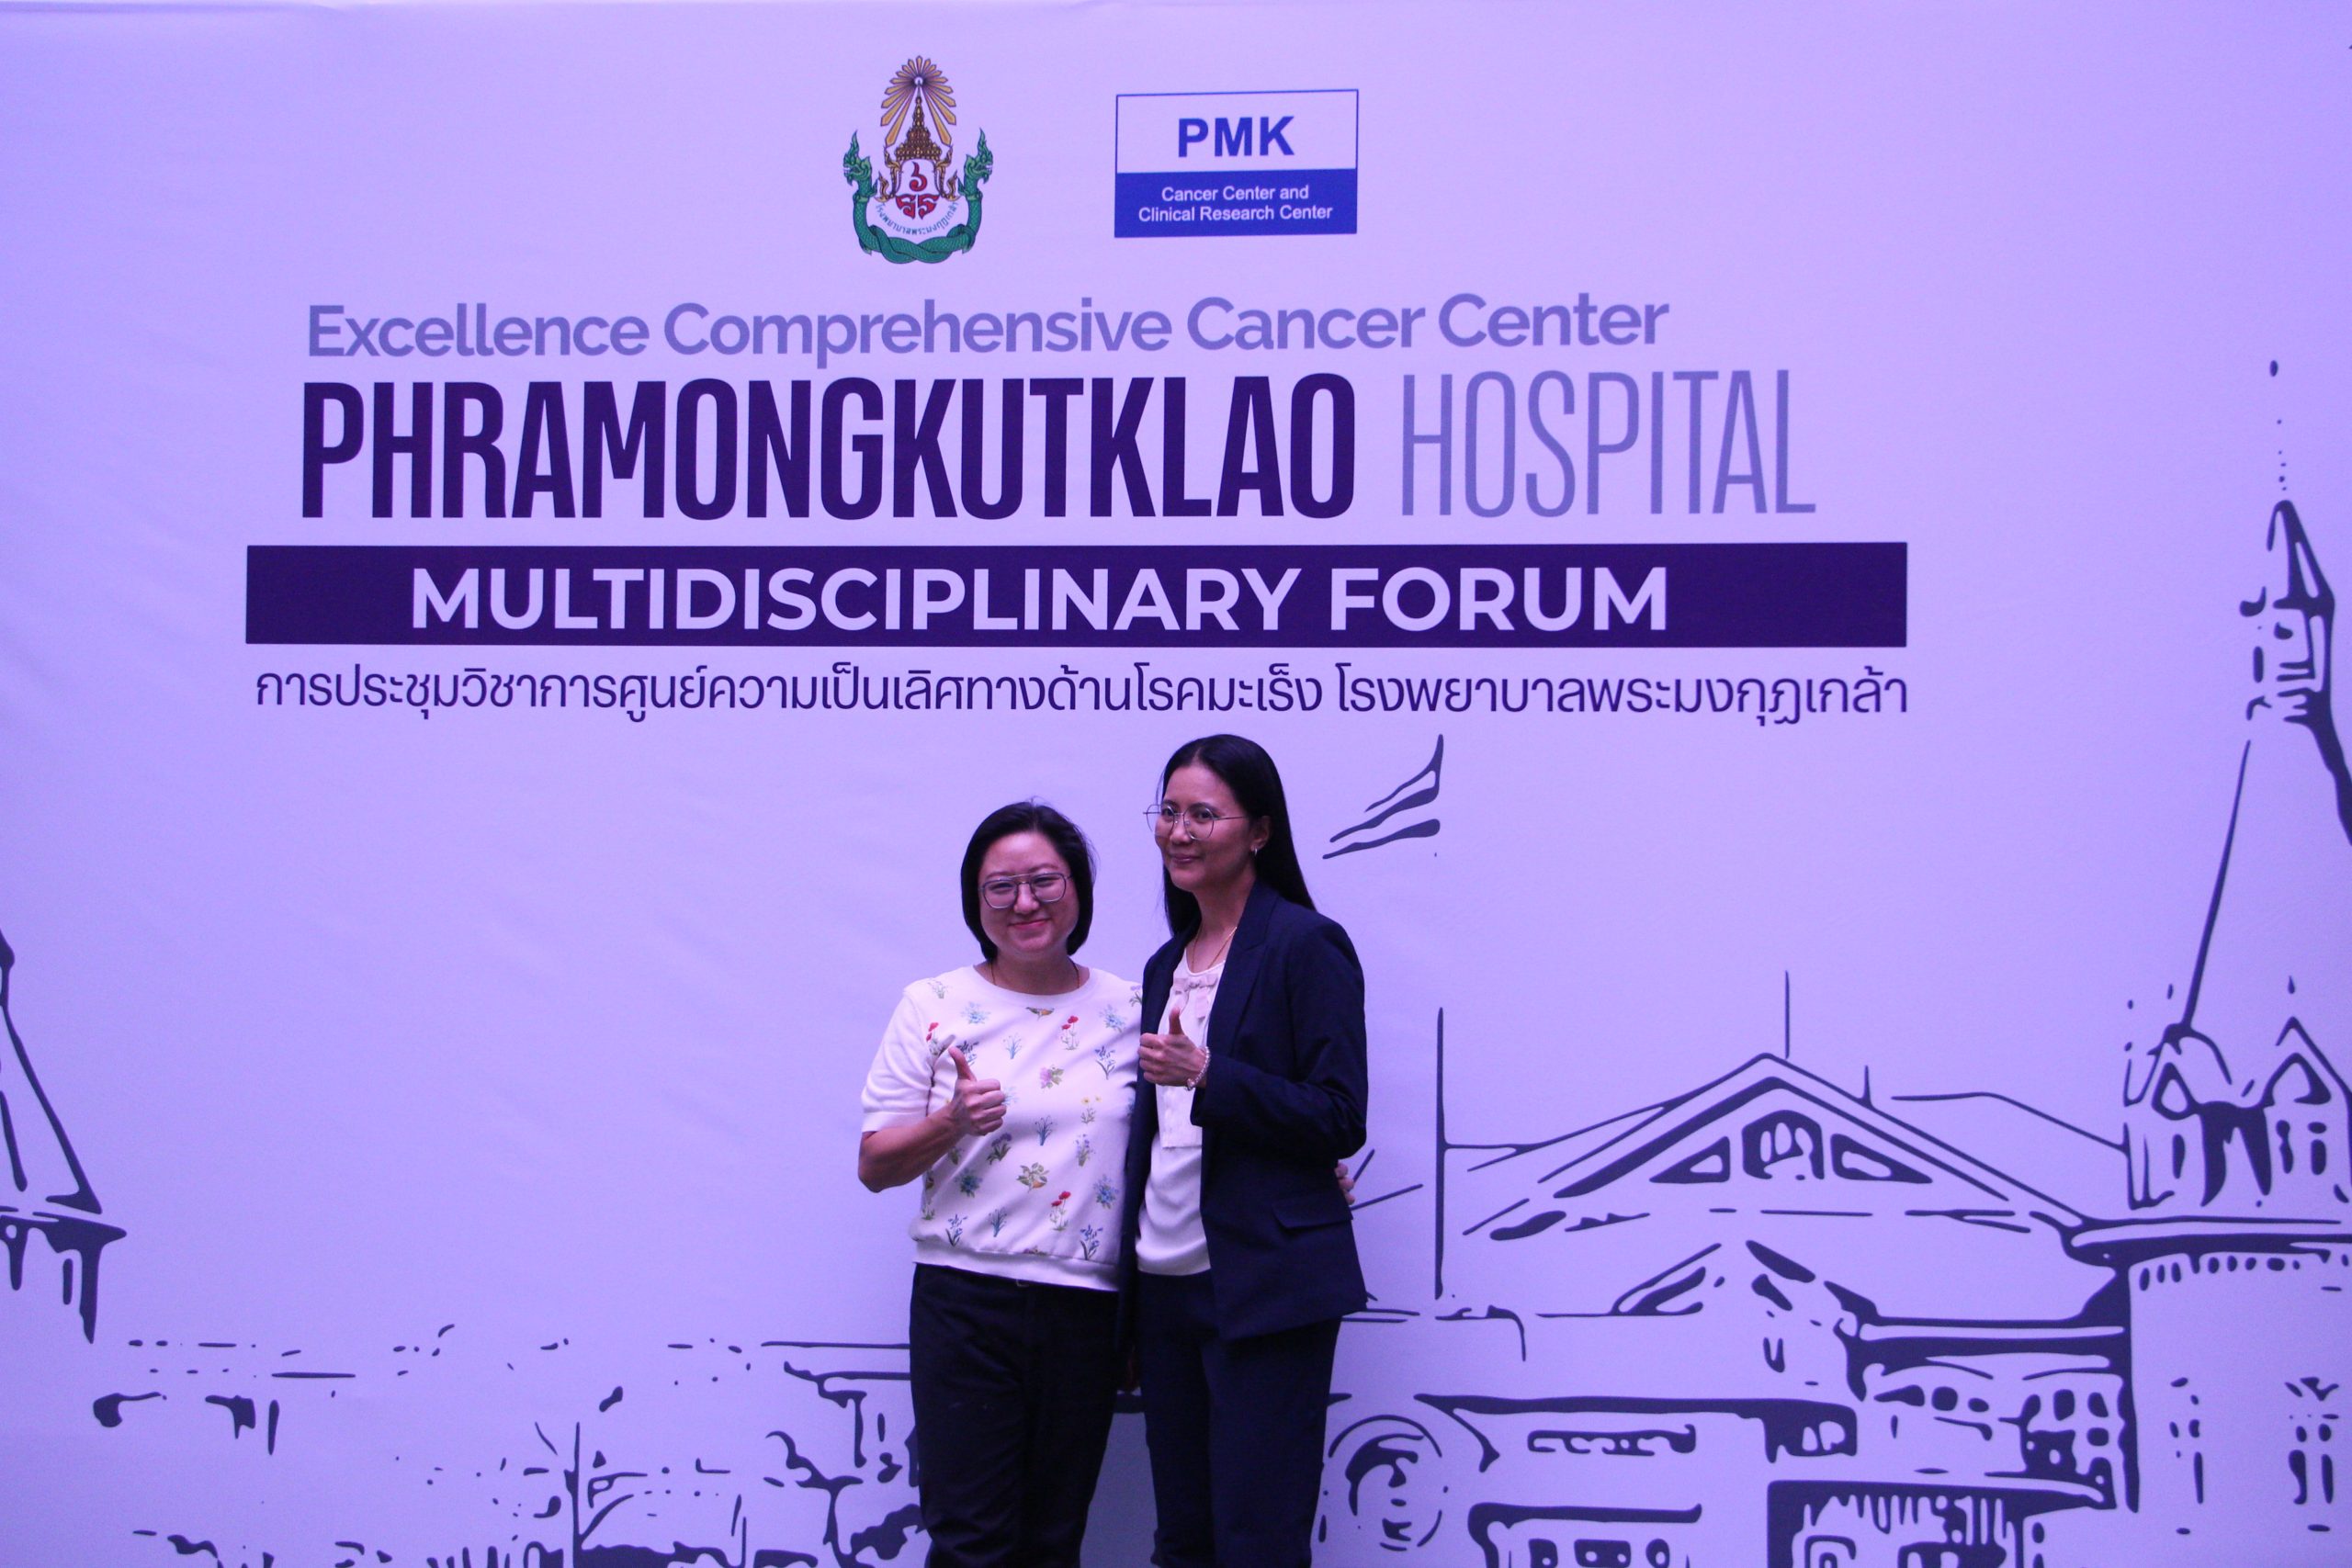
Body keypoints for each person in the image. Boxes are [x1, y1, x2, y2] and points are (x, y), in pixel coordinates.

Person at [858, 801, 1142, 1568]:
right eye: (1001, 887)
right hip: (966, 1301)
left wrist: (1309, 1167)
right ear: (974, 901)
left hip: (1086, 1308)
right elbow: (875, 1163)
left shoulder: (1131, 1007)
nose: (1025, 903)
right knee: (971, 1540)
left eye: (1045, 881)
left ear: (1078, 889)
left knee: (1053, 1541)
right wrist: (951, 1122)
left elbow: (1184, 1127)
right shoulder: (933, 1003)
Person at [1119, 734, 1369, 1568]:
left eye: (1203, 814)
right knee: (1182, 1539)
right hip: (1164, 1281)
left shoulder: (1305, 943)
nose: (1178, 831)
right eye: (1168, 812)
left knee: (1257, 1538)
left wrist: (1208, 1073)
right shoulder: (1165, 963)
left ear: (1259, 830)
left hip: (1264, 1281)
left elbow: (1340, 1114)